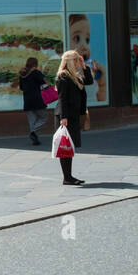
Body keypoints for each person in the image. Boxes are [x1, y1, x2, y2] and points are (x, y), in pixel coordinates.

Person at [54, 50, 88, 185]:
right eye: (75, 60)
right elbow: (62, 98)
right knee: (65, 147)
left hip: (73, 115)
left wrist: (84, 66)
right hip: (65, 116)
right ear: (69, 61)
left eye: (77, 60)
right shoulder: (63, 76)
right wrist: (63, 117)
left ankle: (69, 176)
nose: (76, 62)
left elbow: (90, 81)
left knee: (70, 147)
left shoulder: (75, 75)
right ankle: (67, 177)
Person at [18, 56, 51, 146]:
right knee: (43, 117)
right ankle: (33, 131)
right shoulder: (36, 72)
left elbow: (21, 87)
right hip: (37, 99)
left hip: (27, 100)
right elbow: (44, 82)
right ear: (35, 64)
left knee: (32, 120)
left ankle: (34, 138)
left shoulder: (22, 74)